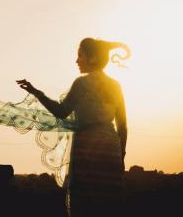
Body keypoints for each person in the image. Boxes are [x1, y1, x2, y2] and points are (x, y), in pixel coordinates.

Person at [17, 38, 129, 217]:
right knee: (108, 202)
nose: (77, 61)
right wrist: (120, 155)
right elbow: (122, 125)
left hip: (86, 146)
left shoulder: (81, 84)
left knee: (85, 203)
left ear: (92, 58)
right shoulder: (115, 86)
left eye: (80, 55)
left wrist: (36, 93)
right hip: (111, 149)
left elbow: (61, 112)